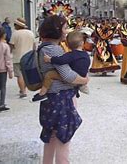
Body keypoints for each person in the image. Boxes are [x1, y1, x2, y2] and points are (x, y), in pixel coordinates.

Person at [37, 15, 89, 164]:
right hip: (61, 97)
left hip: (50, 96)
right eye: (65, 28)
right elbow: (68, 76)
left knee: (51, 136)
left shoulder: (43, 47)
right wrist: (84, 80)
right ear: (56, 30)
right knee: (63, 138)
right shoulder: (54, 50)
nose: (66, 32)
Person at [32, 31, 91, 102]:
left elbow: (61, 60)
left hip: (74, 76)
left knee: (49, 74)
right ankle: (81, 86)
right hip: (82, 74)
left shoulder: (71, 55)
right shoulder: (85, 54)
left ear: (67, 45)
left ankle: (42, 93)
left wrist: (50, 59)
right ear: (82, 43)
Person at [9, 18, 35, 98]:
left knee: (19, 75)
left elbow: (11, 46)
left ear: (17, 26)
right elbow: (34, 46)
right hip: (29, 57)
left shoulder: (15, 34)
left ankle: (23, 91)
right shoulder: (31, 33)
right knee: (26, 74)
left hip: (18, 57)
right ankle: (25, 88)